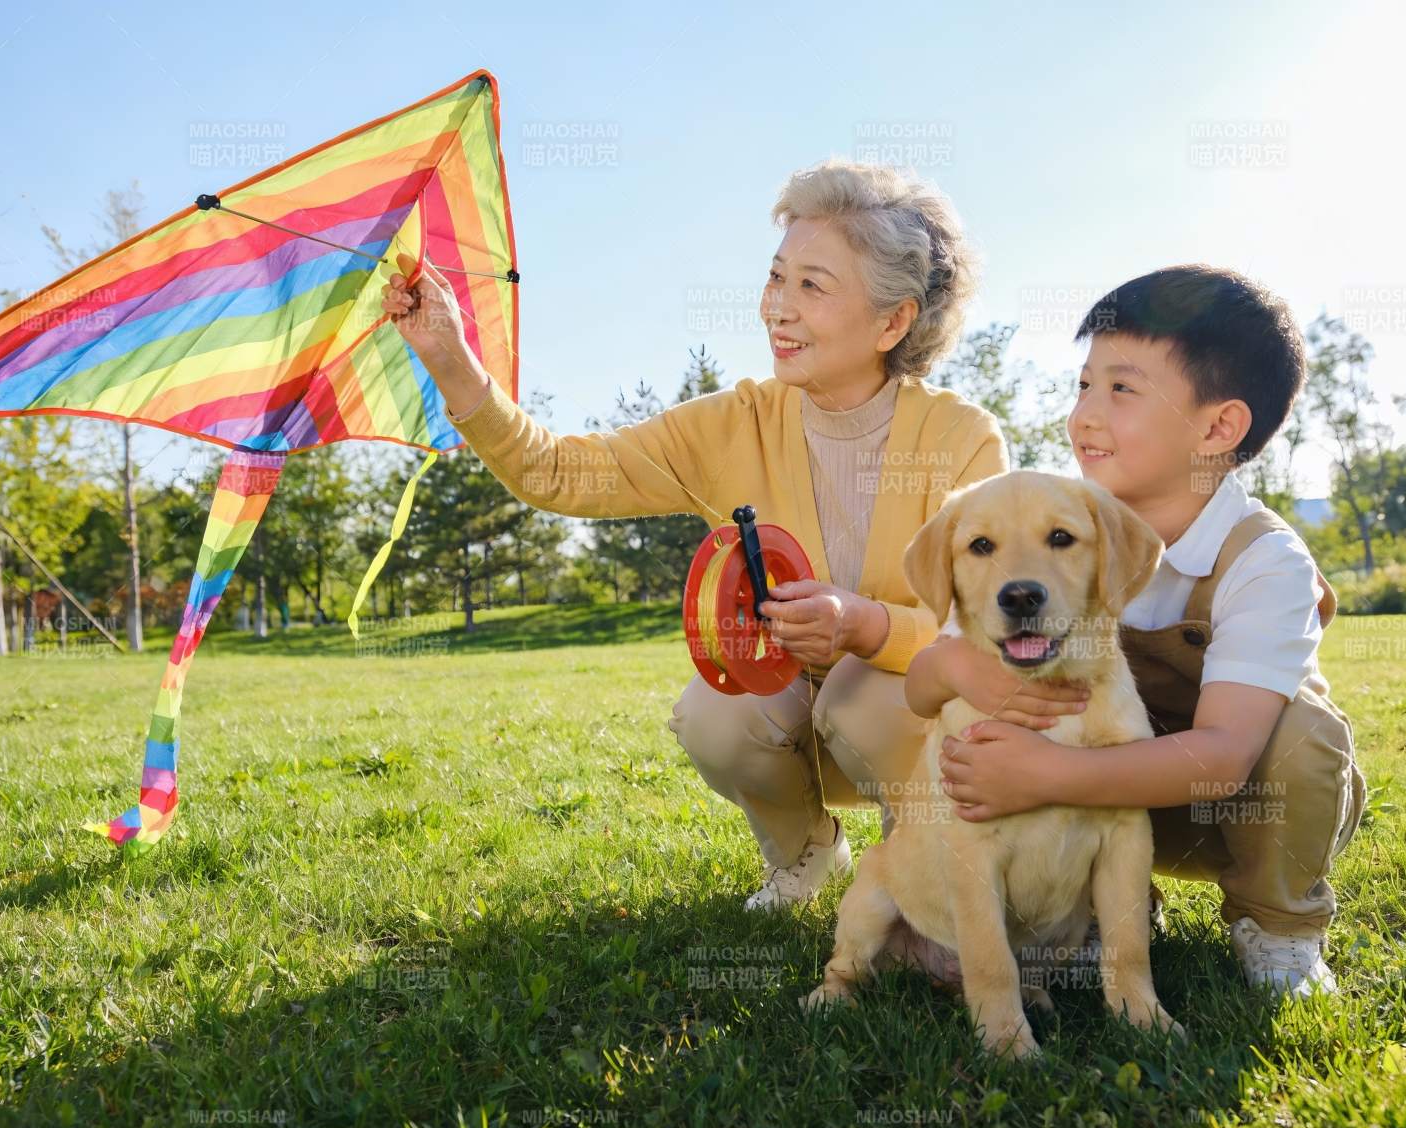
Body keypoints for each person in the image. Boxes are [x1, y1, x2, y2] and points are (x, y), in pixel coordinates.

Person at [382, 158, 1061, 910]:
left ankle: (925, 850)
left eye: (813, 285)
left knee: (863, 701)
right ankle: (806, 854)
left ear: (892, 320)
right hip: (793, 707)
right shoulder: (731, 423)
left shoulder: (961, 437)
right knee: (716, 713)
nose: (779, 307)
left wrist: (864, 626)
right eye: (777, 278)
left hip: (908, 713)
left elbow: (982, 628)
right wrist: (452, 362)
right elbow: (560, 474)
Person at [909, 265, 1367, 997]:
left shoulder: (1264, 560)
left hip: (1241, 809)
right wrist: (957, 673)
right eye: (1083, 386)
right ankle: (1094, 910)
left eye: (1121, 389)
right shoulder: (1060, 521)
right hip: (1121, 805)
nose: (1085, 415)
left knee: (1301, 734)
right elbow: (936, 666)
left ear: (1218, 427)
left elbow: (1223, 757)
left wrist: (1045, 772)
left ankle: (1279, 924)